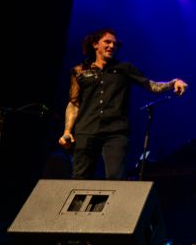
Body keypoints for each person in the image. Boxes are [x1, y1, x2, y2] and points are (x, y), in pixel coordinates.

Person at [58, 28, 188, 179]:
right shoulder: (79, 71)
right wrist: (67, 131)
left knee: (115, 179)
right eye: (107, 42)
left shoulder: (124, 68)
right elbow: (74, 103)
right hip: (86, 130)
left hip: (115, 132)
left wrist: (173, 83)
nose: (112, 46)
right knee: (80, 178)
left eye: (115, 44)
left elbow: (151, 85)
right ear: (95, 44)